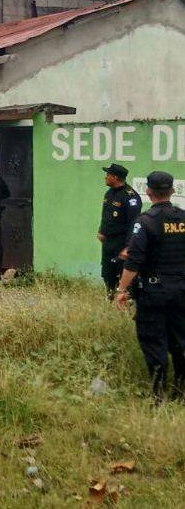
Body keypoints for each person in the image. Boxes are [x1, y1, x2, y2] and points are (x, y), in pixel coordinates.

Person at [115, 171, 185, 402]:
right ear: (172, 191)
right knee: (181, 341)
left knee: (154, 342)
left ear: (149, 192)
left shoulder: (145, 222)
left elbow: (134, 261)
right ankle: (181, 392)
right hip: (182, 291)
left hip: (154, 293)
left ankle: (157, 395)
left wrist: (122, 290)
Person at [97, 163, 142, 298]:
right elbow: (105, 215)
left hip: (122, 243)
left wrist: (128, 247)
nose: (106, 177)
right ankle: (110, 296)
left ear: (115, 177)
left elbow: (134, 224)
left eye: (108, 175)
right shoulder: (109, 193)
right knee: (107, 271)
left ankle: (126, 301)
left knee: (123, 273)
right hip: (108, 242)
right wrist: (101, 231)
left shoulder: (131, 197)